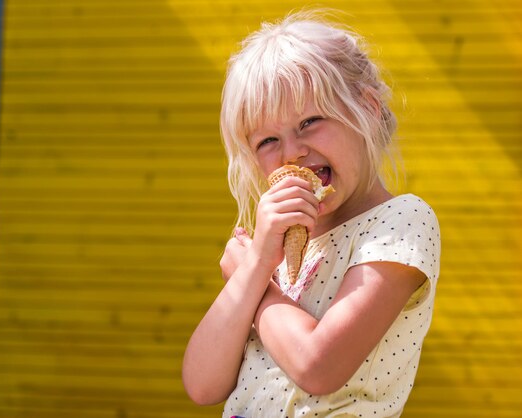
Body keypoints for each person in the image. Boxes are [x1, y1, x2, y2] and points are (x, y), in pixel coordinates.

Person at [182, 9, 441, 418]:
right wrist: (254, 270)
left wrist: (260, 288)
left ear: (368, 110)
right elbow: (202, 384)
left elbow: (318, 366)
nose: (291, 152)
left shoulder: (400, 221)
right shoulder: (277, 249)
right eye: (268, 139)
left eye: (310, 121)